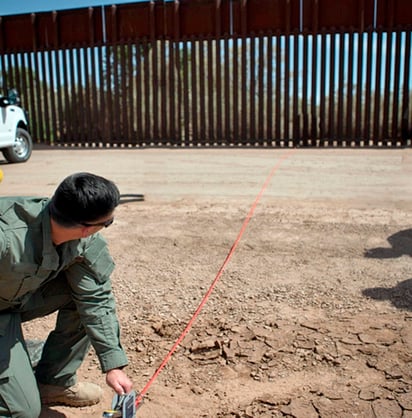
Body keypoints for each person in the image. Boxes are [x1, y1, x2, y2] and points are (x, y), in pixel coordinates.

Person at [0, 172, 133, 418]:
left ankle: (53, 382)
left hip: (14, 301)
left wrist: (113, 364)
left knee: (80, 296)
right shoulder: (6, 237)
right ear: (85, 228)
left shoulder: (83, 241)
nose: (104, 229)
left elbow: (96, 299)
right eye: (107, 223)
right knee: (21, 412)